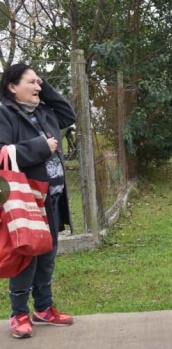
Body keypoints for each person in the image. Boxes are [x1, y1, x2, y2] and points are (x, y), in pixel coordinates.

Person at [0, 63, 76, 338]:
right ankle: (18, 313)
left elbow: (68, 113)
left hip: (51, 198)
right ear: (11, 87)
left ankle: (43, 308)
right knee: (26, 256)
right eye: (31, 82)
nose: (37, 87)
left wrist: (45, 86)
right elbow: (1, 153)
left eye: (39, 82)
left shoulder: (44, 111)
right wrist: (41, 148)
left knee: (47, 255)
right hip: (25, 200)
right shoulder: (4, 113)